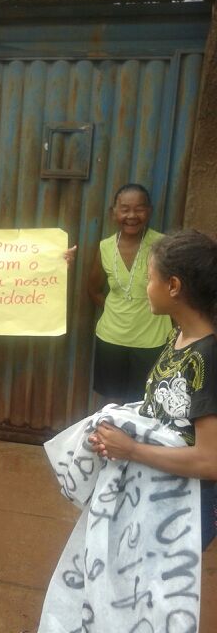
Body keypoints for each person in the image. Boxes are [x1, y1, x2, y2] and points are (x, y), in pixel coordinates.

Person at [90, 229, 217, 549]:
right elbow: (165, 412)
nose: (145, 288)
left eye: (149, 279)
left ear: (173, 286)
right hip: (159, 491)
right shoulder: (178, 336)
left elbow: (210, 461)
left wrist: (131, 450)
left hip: (185, 509)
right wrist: (116, 432)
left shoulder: (207, 357)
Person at [88, 183, 172, 404]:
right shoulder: (105, 247)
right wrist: (118, 311)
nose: (132, 216)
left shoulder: (163, 246)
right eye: (125, 209)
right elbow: (93, 289)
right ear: (113, 212)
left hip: (152, 340)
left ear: (149, 211)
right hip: (111, 338)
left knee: (145, 402)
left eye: (139, 209)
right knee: (112, 402)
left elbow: (177, 291)